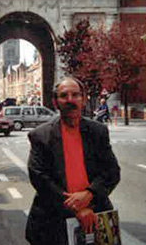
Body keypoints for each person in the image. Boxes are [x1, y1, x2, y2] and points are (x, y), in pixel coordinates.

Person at [26, 77, 121, 245]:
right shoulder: (40, 136)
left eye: (75, 95)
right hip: (53, 220)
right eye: (64, 96)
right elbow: (39, 177)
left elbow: (112, 171)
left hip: (95, 214)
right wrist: (76, 207)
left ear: (83, 99)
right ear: (55, 102)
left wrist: (89, 195)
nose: (70, 100)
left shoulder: (98, 132)